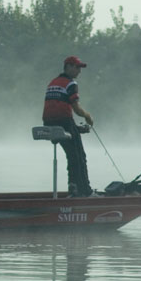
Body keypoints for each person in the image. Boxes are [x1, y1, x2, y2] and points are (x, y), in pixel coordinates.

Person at [43, 55, 94, 197]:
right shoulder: (70, 84)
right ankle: (85, 192)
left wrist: (77, 129)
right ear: (69, 67)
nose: (79, 71)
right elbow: (77, 110)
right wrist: (88, 116)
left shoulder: (53, 82)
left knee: (72, 154)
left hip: (49, 122)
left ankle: (73, 187)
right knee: (79, 156)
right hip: (64, 122)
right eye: (77, 67)